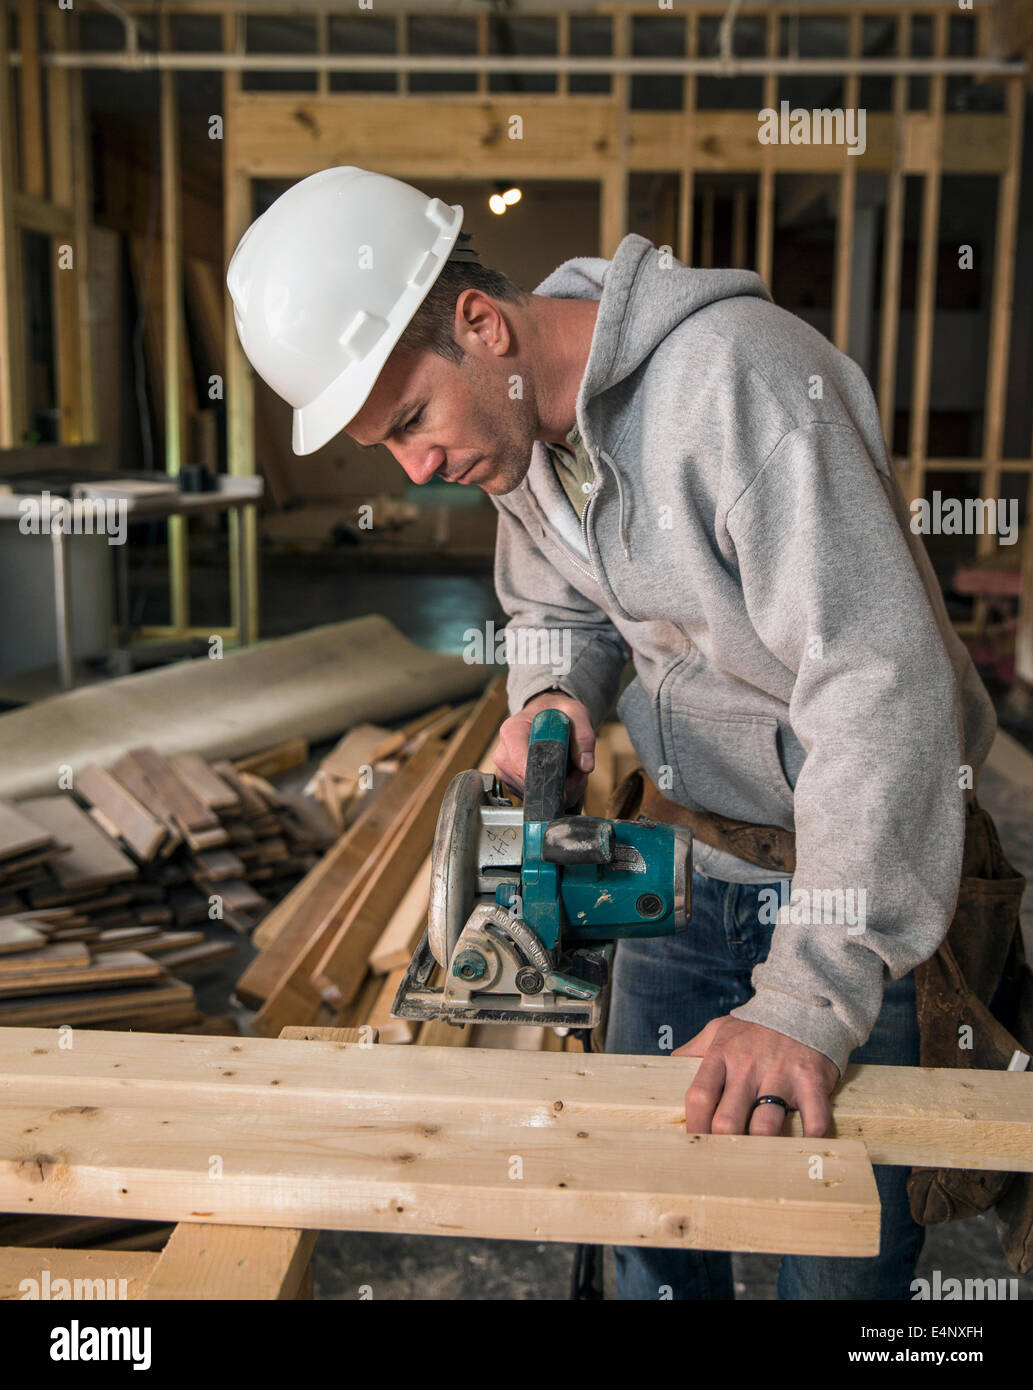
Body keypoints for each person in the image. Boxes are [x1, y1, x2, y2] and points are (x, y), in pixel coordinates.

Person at [228, 167, 998, 1299]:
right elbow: (554, 607)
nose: (418, 469)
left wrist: (802, 997)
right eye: (384, 448)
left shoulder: (746, 386)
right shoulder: (520, 430)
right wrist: (552, 691)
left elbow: (880, 689)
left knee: (835, 1262)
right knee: (641, 1227)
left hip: (844, 880)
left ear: (482, 325)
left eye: (410, 423)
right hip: (689, 862)